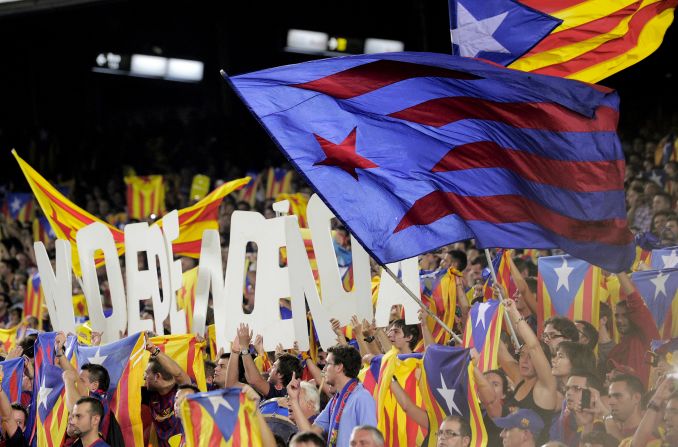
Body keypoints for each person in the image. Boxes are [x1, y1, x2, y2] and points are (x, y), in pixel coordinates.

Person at [287, 345, 377, 447]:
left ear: (339, 367)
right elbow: (310, 434)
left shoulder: (362, 397)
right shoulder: (335, 401)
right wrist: (294, 400)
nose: (324, 369)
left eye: (327, 364)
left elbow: (370, 442)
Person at [607, 272, 660, 388]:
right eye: (616, 316)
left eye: (625, 315)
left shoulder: (647, 336)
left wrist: (619, 271)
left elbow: (636, 303)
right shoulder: (614, 352)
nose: (619, 320)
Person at [141, 336, 192, 447]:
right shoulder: (149, 394)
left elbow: (178, 374)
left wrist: (154, 350)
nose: (144, 377)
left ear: (157, 376)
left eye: (146, 373)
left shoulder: (183, 391)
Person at [236, 323, 302, 399]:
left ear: (280, 374)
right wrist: (261, 353)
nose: (269, 369)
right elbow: (249, 376)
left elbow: (254, 380)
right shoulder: (284, 390)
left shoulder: (282, 391)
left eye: (273, 366)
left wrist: (244, 347)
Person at [605, 374, 644, 441]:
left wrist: (606, 417)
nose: (610, 402)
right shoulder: (607, 430)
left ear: (636, 398)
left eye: (618, 396)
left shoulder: (649, 433)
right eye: (610, 397)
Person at [0, 365, 28, 447]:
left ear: (24, 428)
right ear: (2, 424)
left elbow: (8, 418)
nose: (14, 425)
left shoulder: (21, 443)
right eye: (14, 421)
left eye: (19, 422)